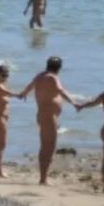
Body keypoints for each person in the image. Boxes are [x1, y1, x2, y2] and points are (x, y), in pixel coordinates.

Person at [19, 55, 78, 185]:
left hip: (42, 115)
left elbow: (28, 88)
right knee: (49, 147)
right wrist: (74, 103)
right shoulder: (53, 77)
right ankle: (43, 178)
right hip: (49, 116)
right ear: (59, 68)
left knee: (45, 146)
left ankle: (43, 177)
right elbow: (60, 91)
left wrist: (22, 94)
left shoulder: (40, 76)